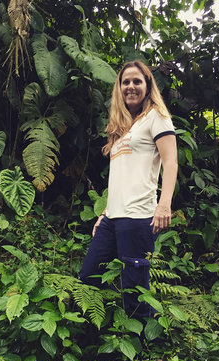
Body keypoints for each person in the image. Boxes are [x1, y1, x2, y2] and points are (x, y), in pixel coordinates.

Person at [79, 60, 178, 322]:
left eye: (137, 81)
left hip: (138, 218)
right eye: (126, 82)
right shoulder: (122, 129)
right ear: (119, 88)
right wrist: (105, 213)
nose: (131, 86)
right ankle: (100, 336)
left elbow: (170, 162)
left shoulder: (156, 117)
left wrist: (164, 204)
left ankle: (147, 350)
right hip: (112, 219)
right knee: (88, 278)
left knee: (134, 290)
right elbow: (119, 176)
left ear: (147, 86)